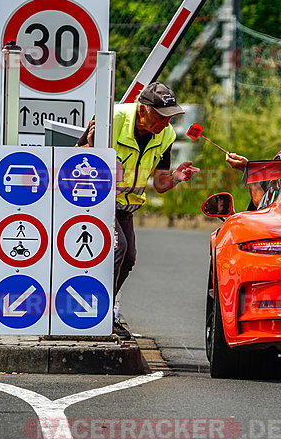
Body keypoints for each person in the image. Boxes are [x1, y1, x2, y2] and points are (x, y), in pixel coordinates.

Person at [77, 82, 200, 338]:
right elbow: (75, 158)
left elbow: (160, 183)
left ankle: (100, 312)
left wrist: (177, 177)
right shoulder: (111, 118)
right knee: (117, 248)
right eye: (161, 117)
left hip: (126, 205)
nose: (165, 124)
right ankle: (99, 317)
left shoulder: (165, 136)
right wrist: (91, 147)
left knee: (129, 257)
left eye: (170, 117)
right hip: (97, 200)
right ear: (143, 110)